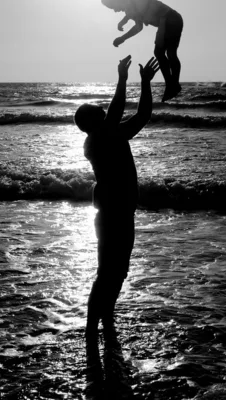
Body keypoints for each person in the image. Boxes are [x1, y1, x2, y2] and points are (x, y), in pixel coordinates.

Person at [74, 55, 159, 338]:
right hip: (111, 216)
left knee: (118, 273)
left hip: (124, 214)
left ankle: (106, 320)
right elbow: (116, 112)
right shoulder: (96, 142)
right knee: (107, 274)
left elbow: (143, 115)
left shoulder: (115, 135)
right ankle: (90, 329)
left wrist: (145, 83)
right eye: (101, 115)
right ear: (92, 123)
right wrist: (123, 79)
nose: (107, 117)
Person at [101, 0, 184, 102]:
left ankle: (172, 84)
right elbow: (138, 25)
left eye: (113, 6)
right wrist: (123, 35)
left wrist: (125, 20)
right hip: (169, 20)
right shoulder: (130, 6)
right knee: (165, 53)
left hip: (169, 18)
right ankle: (172, 85)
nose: (114, 10)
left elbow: (145, 13)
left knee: (165, 53)